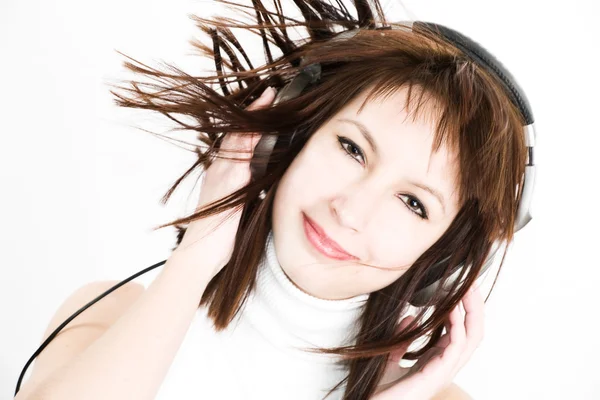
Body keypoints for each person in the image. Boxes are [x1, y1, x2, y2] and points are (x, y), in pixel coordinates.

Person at [14, 0, 529, 398]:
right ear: (289, 139)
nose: (349, 211)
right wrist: (196, 258)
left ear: (442, 255)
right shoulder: (105, 318)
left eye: (414, 203)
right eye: (351, 148)